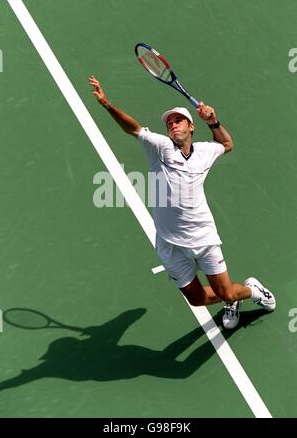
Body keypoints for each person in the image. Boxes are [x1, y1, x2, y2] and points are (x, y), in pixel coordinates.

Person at [88, 75, 276, 329]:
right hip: (169, 244)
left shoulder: (205, 152)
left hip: (203, 238)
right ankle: (228, 298)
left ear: (191, 126)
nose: (173, 125)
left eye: (179, 120)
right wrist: (107, 104)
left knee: (228, 293)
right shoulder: (162, 149)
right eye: (169, 123)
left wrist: (214, 122)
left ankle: (253, 292)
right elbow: (133, 128)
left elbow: (227, 143)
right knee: (197, 299)